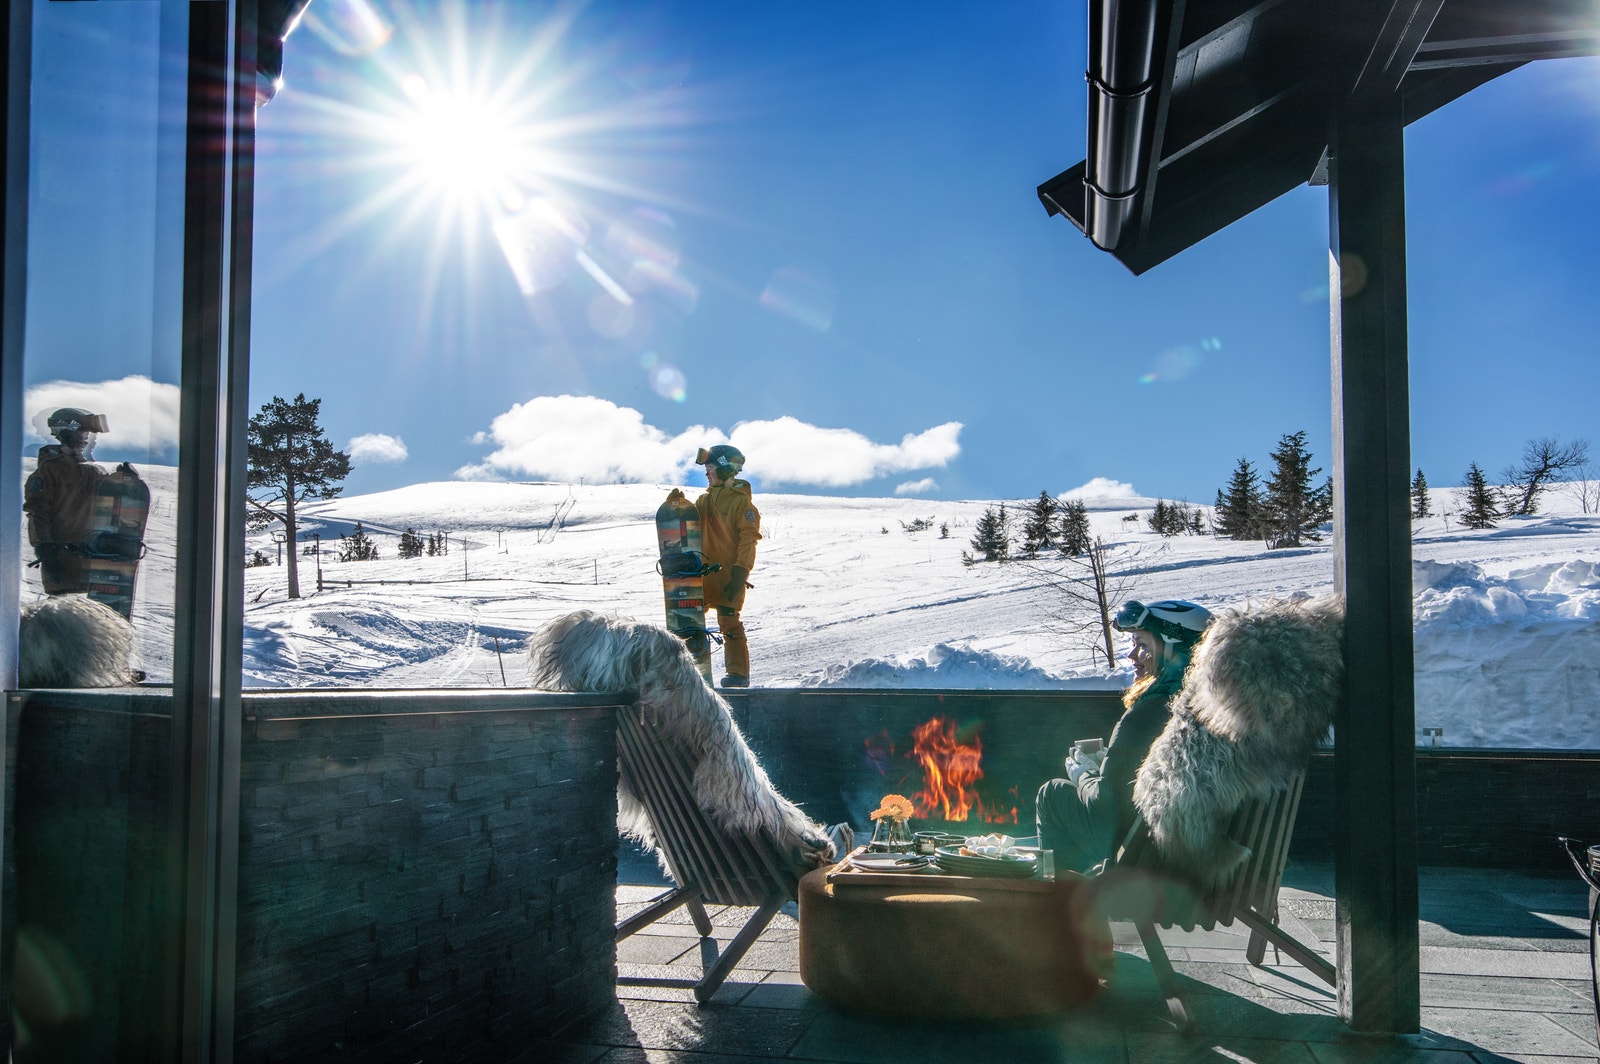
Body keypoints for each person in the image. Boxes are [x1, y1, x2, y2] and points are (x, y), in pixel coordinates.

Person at [1036, 598, 1213, 874]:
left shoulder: (1151, 712)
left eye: (1143, 646)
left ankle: (1062, 903)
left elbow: (1103, 807)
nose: (1132, 656)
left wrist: (1082, 774)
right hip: (1189, 862)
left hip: (1146, 870)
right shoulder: (1208, 713)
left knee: (1053, 794)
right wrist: (1107, 767)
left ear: (1173, 651)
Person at [694, 444, 761, 689]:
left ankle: (738, 674)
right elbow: (688, 525)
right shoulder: (703, 501)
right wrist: (678, 506)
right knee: (691, 623)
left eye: (710, 468)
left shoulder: (741, 504)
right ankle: (694, 674)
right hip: (700, 575)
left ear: (723, 470)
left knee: (729, 621)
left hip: (729, 575)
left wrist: (741, 571)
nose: (706, 473)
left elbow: (748, 538)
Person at [24, 407, 111, 594]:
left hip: (95, 565)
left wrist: (123, 483)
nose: (87, 439)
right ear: (65, 434)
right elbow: (38, 511)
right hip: (63, 563)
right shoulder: (48, 472)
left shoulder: (94, 472)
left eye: (88, 435)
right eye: (82, 433)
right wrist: (45, 548)